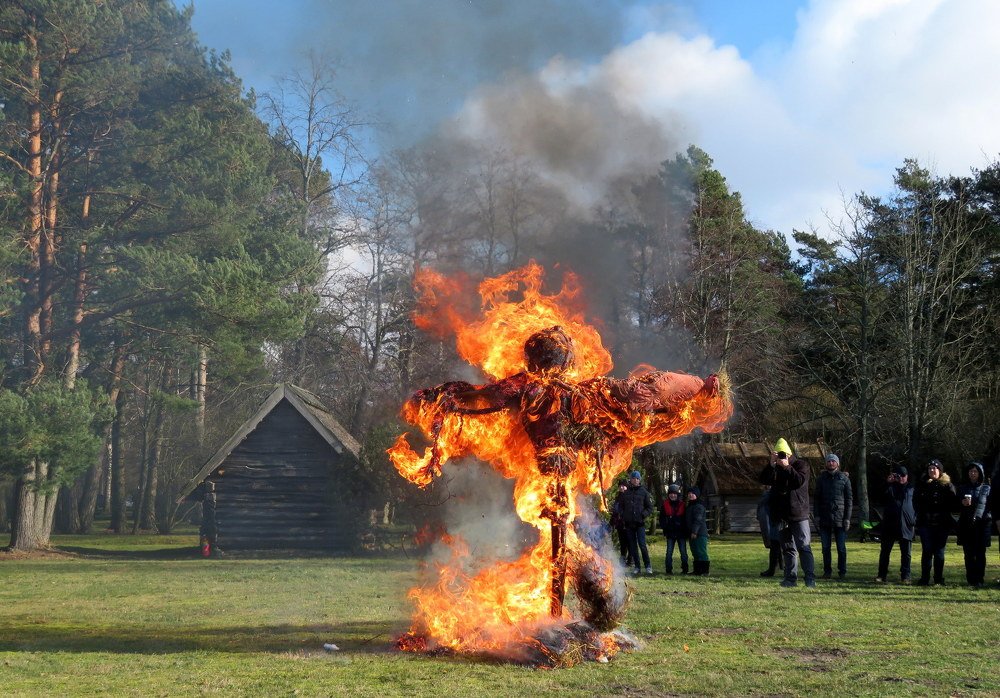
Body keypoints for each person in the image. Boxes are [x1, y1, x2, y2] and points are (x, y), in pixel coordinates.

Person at [759, 438, 816, 588]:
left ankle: (810, 579)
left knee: (804, 546)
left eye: (783, 455)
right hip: (782, 515)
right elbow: (763, 479)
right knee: (788, 549)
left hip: (798, 514)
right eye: (778, 455)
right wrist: (771, 465)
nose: (782, 458)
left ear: (790, 454)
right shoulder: (775, 467)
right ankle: (790, 579)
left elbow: (798, 481)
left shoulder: (801, 465)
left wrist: (787, 467)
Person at [914, 459, 957, 586]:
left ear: (940, 470)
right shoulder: (922, 484)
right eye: (930, 468)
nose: (932, 471)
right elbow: (916, 501)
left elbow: (954, 503)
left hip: (942, 524)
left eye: (935, 468)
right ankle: (924, 578)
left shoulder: (948, 485)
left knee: (939, 552)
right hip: (925, 523)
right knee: (926, 551)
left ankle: (938, 579)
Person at [814, 453, 853, 579]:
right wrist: (817, 516)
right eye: (829, 461)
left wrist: (847, 518)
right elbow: (816, 499)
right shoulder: (821, 480)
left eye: (833, 461)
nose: (831, 463)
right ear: (826, 463)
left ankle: (842, 572)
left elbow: (849, 500)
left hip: (840, 519)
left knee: (841, 548)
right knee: (825, 548)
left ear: (838, 463)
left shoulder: (844, 479)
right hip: (825, 518)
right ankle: (827, 571)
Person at [875, 466, 916, 583]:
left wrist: (913, 519)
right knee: (885, 552)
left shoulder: (911, 488)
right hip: (889, 524)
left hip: (906, 524)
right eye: (898, 476)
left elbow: (917, 505)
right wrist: (887, 483)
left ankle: (906, 576)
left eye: (903, 476)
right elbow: (879, 498)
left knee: (906, 553)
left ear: (907, 476)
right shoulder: (890, 487)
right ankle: (881, 575)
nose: (901, 478)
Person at [957, 461, 992, 588]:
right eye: (971, 471)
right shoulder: (962, 488)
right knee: (968, 554)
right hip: (966, 524)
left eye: (975, 471)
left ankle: (979, 579)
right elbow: (955, 506)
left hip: (982, 525)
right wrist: (962, 503)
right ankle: (970, 579)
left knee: (980, 554)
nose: (972, 473)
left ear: (980, 473)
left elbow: (990, 506)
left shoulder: (987, 488)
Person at [616, 470, 653, 574]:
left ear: (639, 480)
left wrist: (643, 514)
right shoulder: (626, 493)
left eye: (637, 478)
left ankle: (648, 566)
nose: (635, 480)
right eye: (633, 478)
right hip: (629, 524)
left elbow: (649, 507)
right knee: (633, 546)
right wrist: (624, 516)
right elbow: (621, 507)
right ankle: (637, 567)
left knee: (642, 545)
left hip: (640, 523)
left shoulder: (644, 492)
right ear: (630, 479)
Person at [659, 483, 689, 574]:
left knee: (683, 553)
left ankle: (685, 569)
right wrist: (665, 528)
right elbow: (662, 519)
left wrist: (684, 529)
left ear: (677, 494)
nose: (672, 495)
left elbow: (685, 519)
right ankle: (668, 570)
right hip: (670, 533)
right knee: (669, 553)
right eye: (671, 493)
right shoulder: (665, 505)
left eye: (674, 493)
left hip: (681, 533)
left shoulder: (682, 505)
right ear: (669, 495)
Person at [756, 486, 783, 577]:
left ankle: (773, 568)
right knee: (776, 543)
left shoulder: (768, 496)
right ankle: (778, 566)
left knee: (775, 542)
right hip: (773, 519)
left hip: (774, 519)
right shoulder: (767, 496)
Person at [686, 486, 710, 575]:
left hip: (699, 533)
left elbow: (698, 520)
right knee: (695, 552)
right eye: (689, 494)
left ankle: (704, 571)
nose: (690, 495)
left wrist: (694, 531)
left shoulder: (699, 506)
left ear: (697, 495)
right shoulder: (690, 506)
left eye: (692, 493)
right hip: (692, 533)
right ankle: (697, 570)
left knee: (701, 552)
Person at [610, 482, 633, 567]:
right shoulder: (618, 497)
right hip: (620, 524)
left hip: (628, 524)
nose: (622, 487)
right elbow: (615, 511)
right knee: (622, 543)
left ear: (627, 487)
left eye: (623, 486)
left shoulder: (630, 497)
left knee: (629, 542)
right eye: (620, 486)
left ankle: (630, 560)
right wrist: (612, 521)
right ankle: (622, 560)